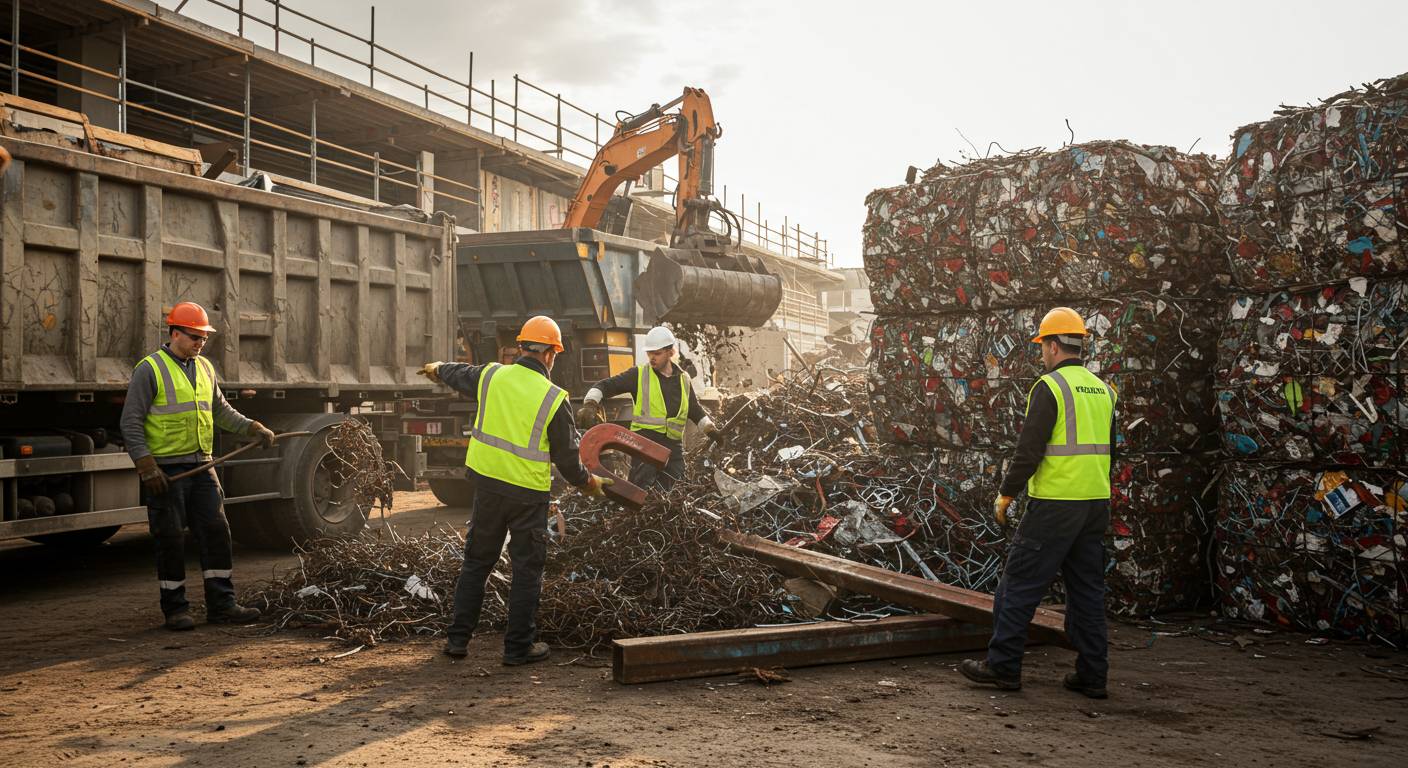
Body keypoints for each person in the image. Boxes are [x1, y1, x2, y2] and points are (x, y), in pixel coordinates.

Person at [418, 316, 610, 665]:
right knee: (526, 570)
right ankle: (518, 647)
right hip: (527, 496)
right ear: (552, 354)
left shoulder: (492, 376)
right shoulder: (554, 398)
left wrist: (437, 368)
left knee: (477, 563)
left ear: (520, 348)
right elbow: (568, 459)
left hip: (488, 487)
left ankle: (458, 641)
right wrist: (590, 484)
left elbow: (461, 373)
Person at [959, 307, 1116, 699]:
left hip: (1054, 505)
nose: (1041, 354)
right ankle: (1093, 675)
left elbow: (1029, 451)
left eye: (1042, 346)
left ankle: (1003, 667)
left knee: (1019, 586)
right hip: (1095, 503)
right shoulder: (1105, 390)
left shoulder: (1049, 388)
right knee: (1087, 592)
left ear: (1051, 344)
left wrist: (1007, 492)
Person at [120, 301, 275, 631]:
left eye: (204, 338)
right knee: (170, 538)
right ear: (175, 333)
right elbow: (130, 423)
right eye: (195, 337)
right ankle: (175, 610)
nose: (201, 343)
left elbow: (220, 411)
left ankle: (222, 605)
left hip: (202, 466)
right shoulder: (150, 369)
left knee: (217, 532)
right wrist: (147, 467)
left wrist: (252, 427)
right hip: (166, 472)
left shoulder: (204, 368)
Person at [575, 326, 718, 491]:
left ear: (670, 352)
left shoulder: (683, 379)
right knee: (640, 493)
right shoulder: (639, 374)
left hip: (673, 450)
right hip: (645, 447)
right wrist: (591, 403)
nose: (652, 358)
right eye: (650, 353)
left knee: (678, 492)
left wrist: (710, 429)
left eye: (657, 354)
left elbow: (694, 409)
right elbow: (605, 385)